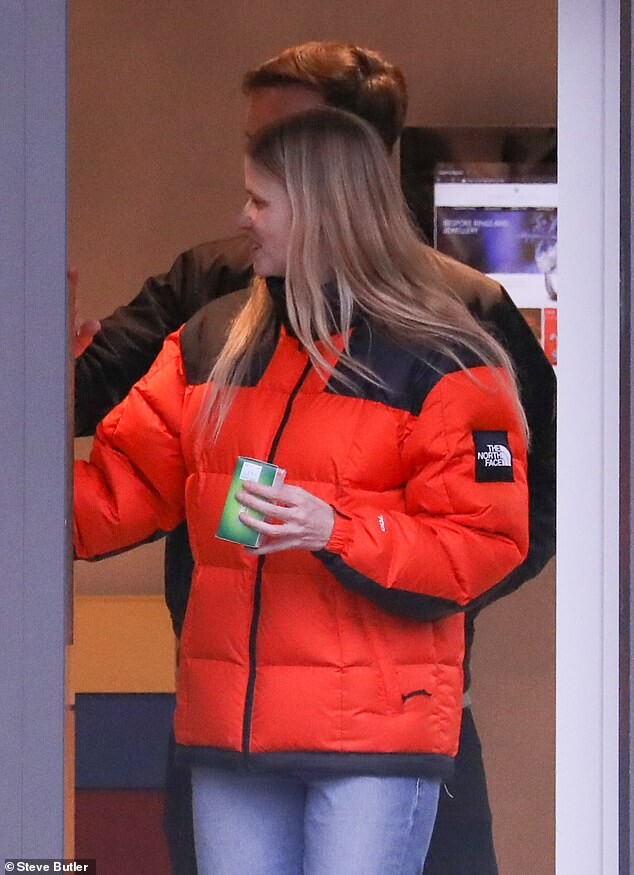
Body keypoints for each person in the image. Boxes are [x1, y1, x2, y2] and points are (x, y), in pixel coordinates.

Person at [73, 42, 556, 875]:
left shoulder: (449, 352)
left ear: (326, 207)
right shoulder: (213, 337)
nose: (242, 219)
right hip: (233, 729)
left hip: (374, 731)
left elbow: (491, 538)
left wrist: (339, 532)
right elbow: (113, 493)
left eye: (261, 200)